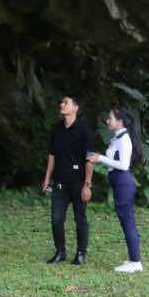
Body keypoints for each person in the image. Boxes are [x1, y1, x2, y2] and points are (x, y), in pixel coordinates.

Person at [87, 108, 144, 273]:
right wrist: (98, 159)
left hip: (123, 184)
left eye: (110, 118)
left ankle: (135, 262)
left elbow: (124, 165)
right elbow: (113, 161)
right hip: (119, 184)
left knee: (128, 222)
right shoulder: (117, 138)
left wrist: (102, 158)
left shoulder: (124, 140)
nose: (107, 121)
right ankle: (134, 259)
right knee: (126, 221)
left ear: (120, 121)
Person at [40, 96, 95, 265]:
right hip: (60, 181)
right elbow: (52, 155)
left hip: (78, 181)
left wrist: (87, 184)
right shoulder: (57, 129)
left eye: (66, 103)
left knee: (80, 218)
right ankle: (60, 251)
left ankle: (80, 253)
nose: (61, 105)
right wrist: (47, 178)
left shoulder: (85, 130)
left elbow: (89, 159)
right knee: (56, 218)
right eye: (61, 102)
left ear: (75, 108)